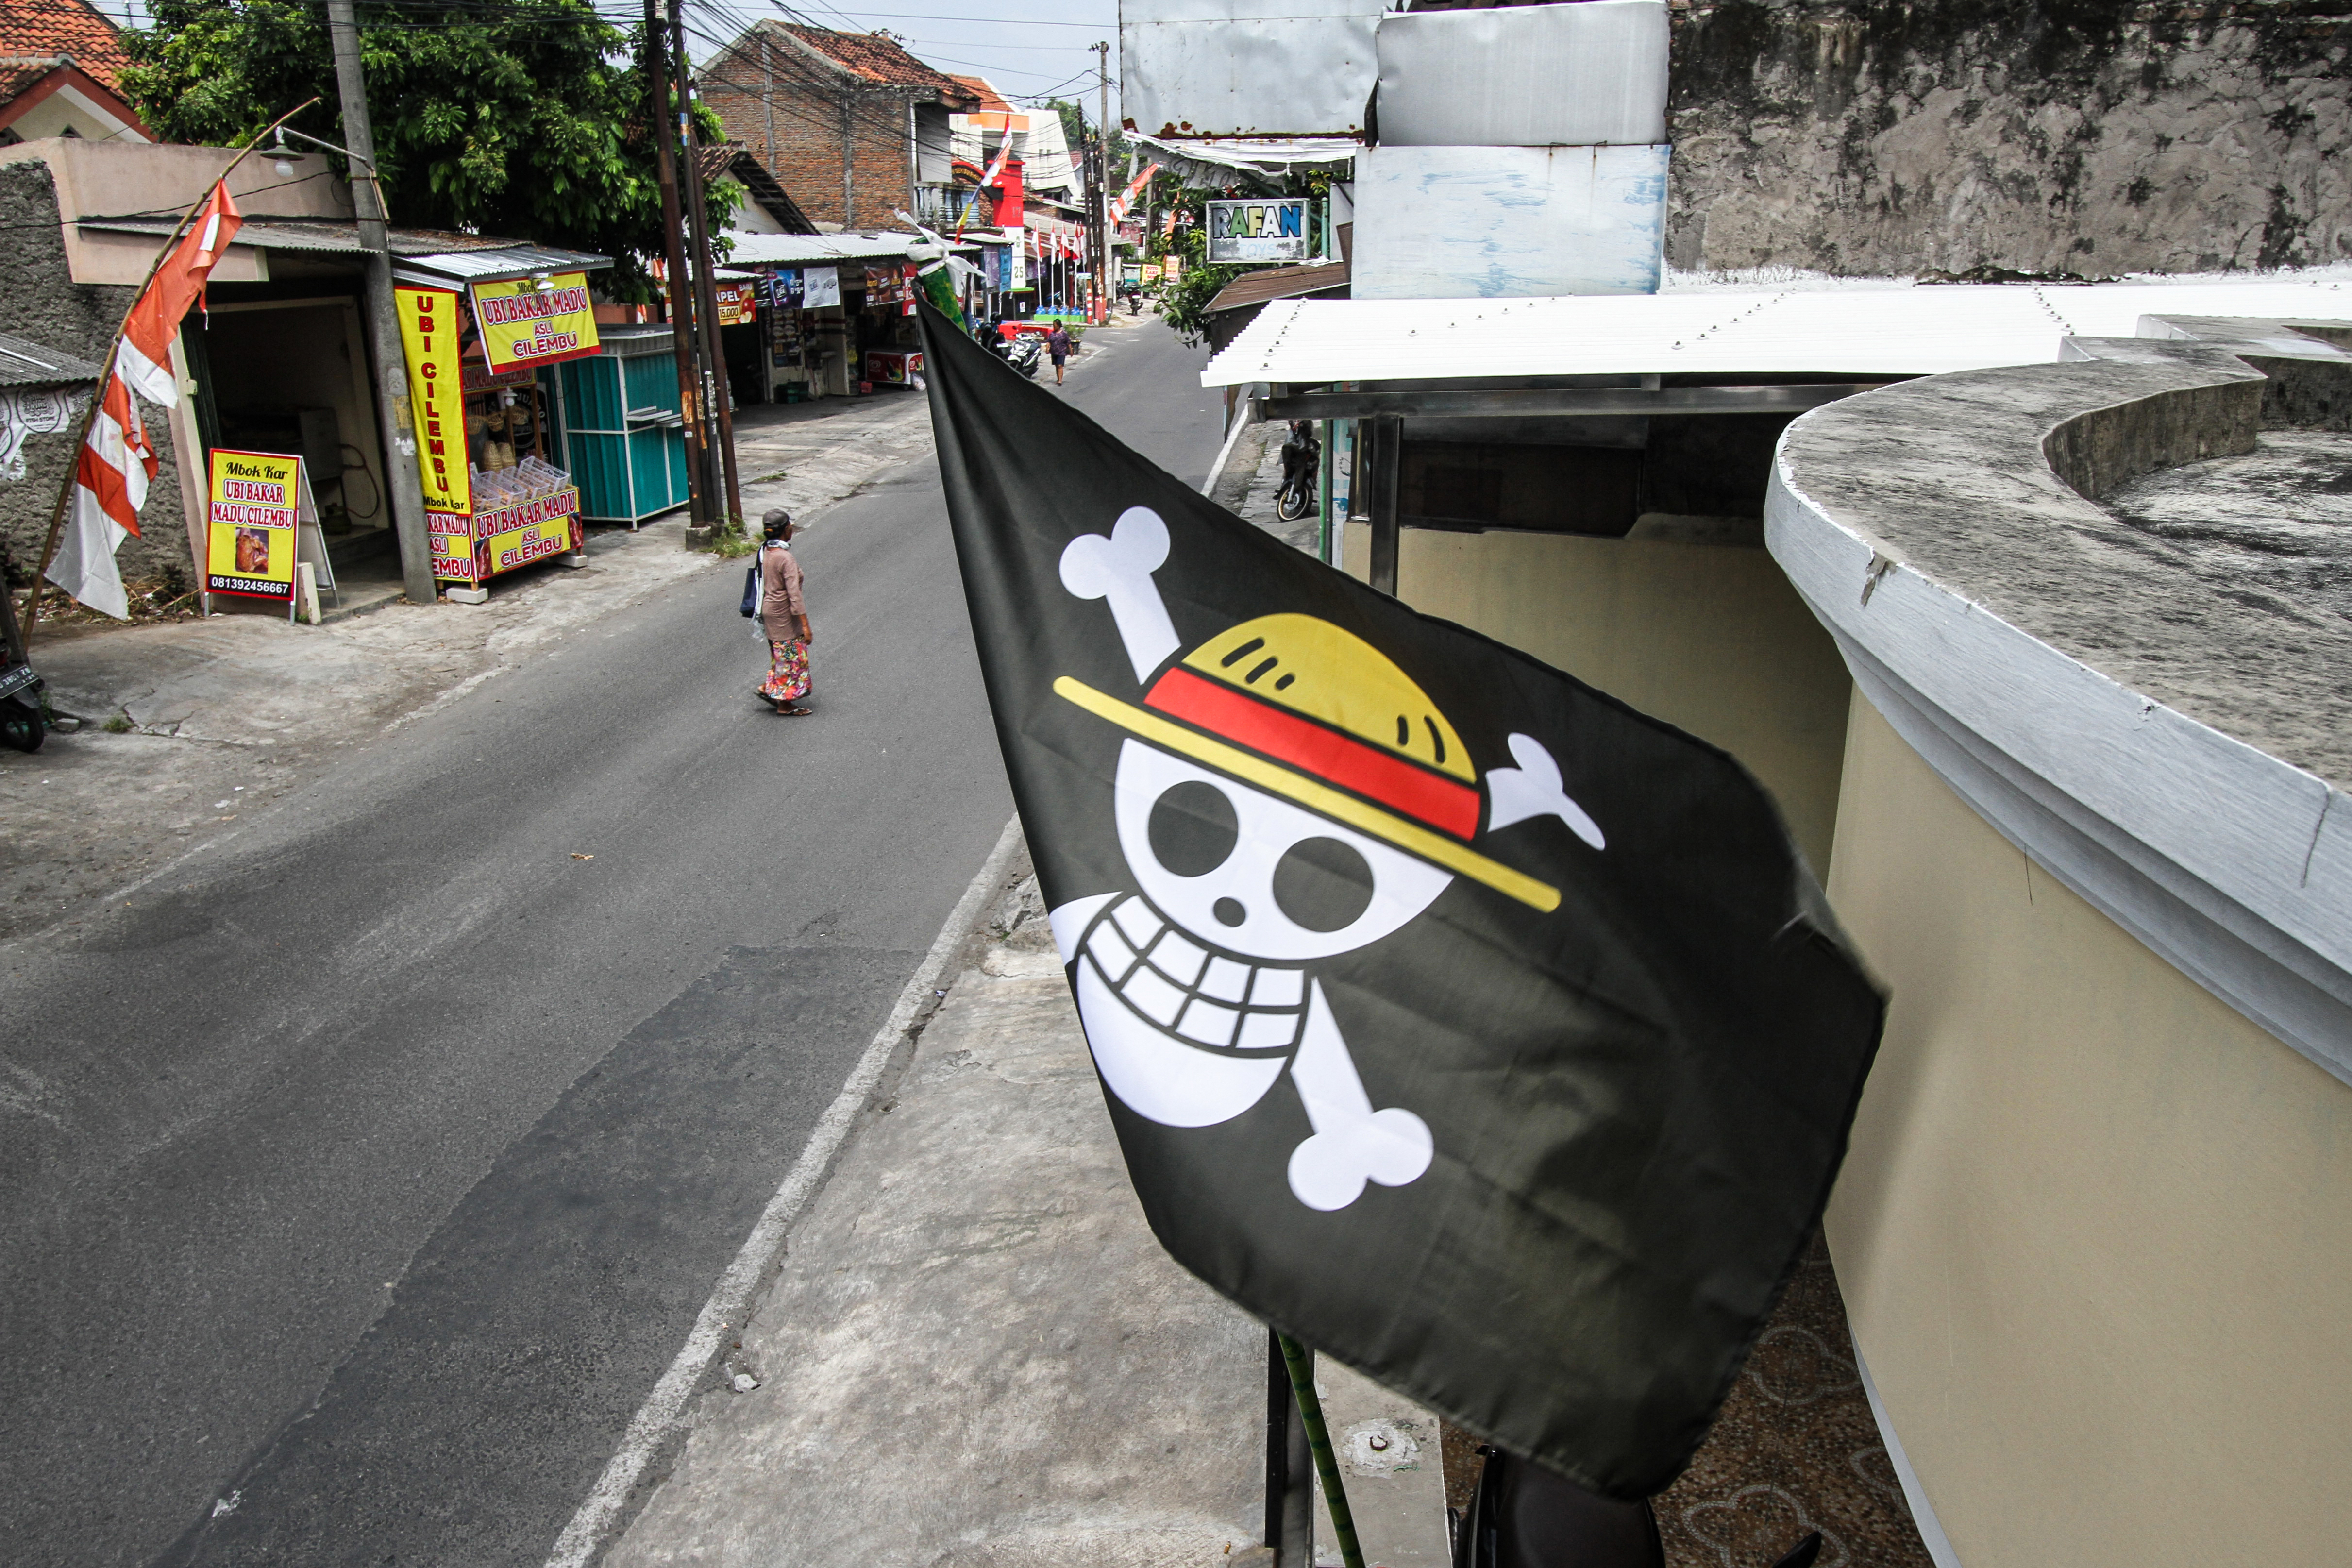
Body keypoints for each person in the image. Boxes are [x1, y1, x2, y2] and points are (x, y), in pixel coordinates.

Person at [756, 508, 812, 716]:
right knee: (791, 659)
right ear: (786, 530)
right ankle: (785, 705)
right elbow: (794, 595)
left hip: (770, 611)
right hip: (783, 616)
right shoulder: (785, 558)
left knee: (780, 657)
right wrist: (805, 625)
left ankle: (768, 688)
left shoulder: (766, 552)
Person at [1047, 321, 1072, 385]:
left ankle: (1060, 381)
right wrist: (1047, 349)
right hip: (1054, 352)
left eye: (1055, 325)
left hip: (1062, 352)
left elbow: (1068, 342)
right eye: (1053, 325)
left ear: (1058, 326)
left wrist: (1071, 350)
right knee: (1056, 366)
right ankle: (1058, 379)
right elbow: (1049, 341)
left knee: (1060, 365)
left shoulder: (1064, 334)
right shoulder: (1052, 334)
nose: (1054, 327)